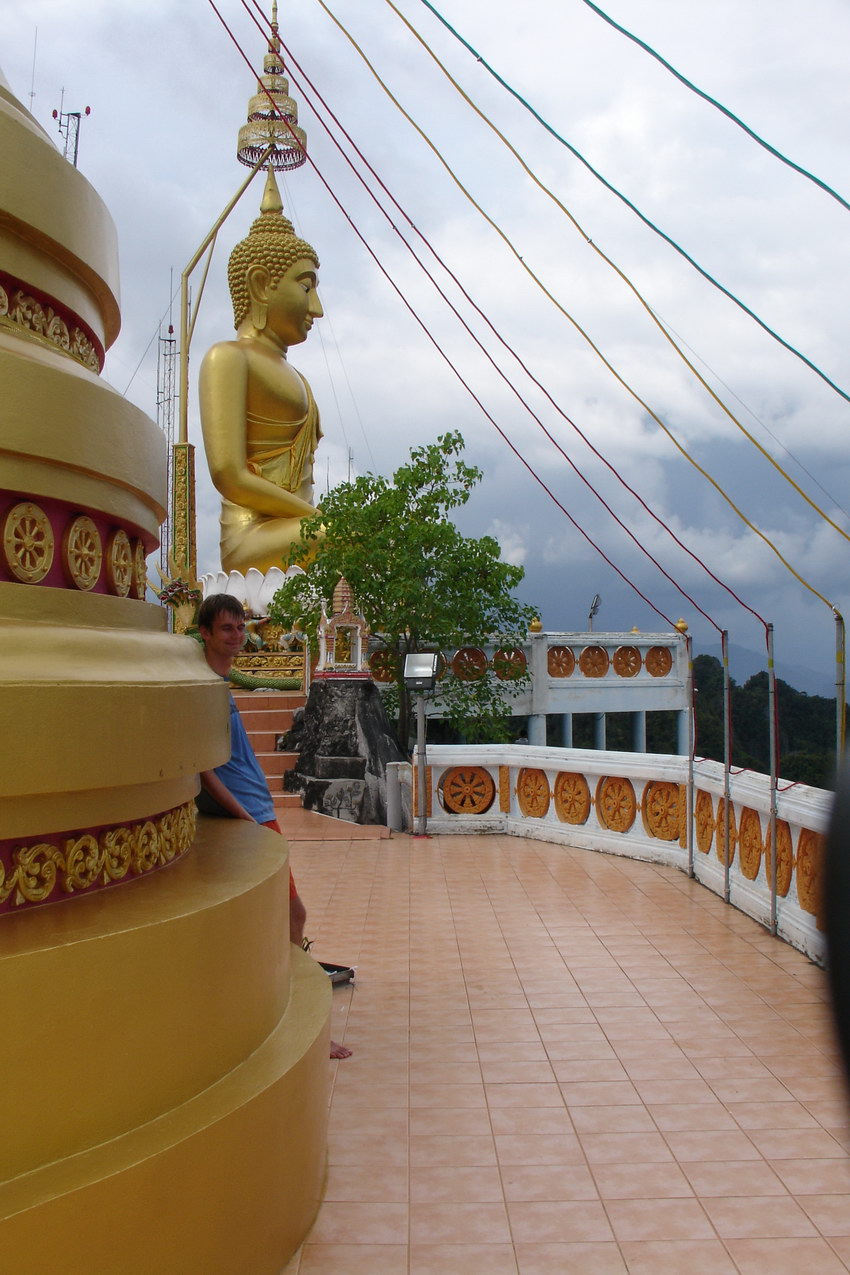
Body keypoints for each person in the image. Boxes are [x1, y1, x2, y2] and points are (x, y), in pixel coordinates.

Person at [196, 592, 352, 1060]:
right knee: (291, 915)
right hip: (249, 814)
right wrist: (242, 815)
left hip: (255, 808)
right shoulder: (203, 688)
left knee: (276, 916)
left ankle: (283, 1013)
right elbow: (201, 764)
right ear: (204, 632)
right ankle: (300, 1018)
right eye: (227, 629)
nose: (238, 636)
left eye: (241, 627)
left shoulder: (217, 685)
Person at [199, 168, 323, 577]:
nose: (316, 308)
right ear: (260, 285)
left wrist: (314, 521)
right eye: (306, 287)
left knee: (371, 536)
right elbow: (230, 474)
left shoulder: (297, 377)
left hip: (296, 527)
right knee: (339, 536)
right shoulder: (228, 358)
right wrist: (315, 519)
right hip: (250, 538)